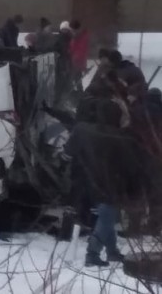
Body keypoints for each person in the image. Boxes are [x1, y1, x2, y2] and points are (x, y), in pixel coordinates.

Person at [67, 101, 136, 267]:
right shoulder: (120, 136)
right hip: (112, 181)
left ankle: (112, 252)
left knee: (107, 216)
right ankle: (92, 253)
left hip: (90, 180)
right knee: (107, 216)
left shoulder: (84, 130)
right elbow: (128, 163)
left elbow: (68, 152)